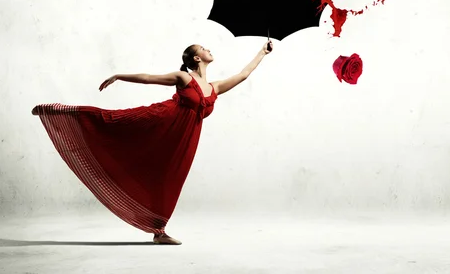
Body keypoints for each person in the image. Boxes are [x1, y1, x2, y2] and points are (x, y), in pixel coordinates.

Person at [32, 40, 273, 245]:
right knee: (115, 120)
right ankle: (62, 113)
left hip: (183, 141)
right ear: (197, 59)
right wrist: (119, 75)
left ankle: (159, 231)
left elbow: (243, 75)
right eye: (204, 48)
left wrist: (262, 52)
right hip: (160, 121)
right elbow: (149, 78)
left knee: (169, 179)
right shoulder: (183, 77)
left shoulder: (214, 87)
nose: (209, 50)